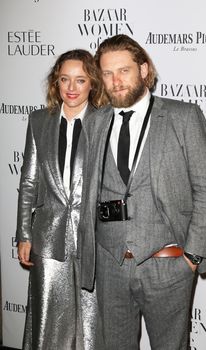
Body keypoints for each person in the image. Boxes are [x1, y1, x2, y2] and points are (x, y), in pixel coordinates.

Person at [79, 34, 206, 350]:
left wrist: (192, 257)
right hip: (110, 265)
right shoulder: (94, 123)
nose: (115, 81)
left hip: (168, 265)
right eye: (107, 73)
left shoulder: (183, 116)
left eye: (124, 70)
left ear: (143, 70)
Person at [16, 49, 103, 350]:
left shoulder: (105, 122)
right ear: (56, 82)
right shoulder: (39, 120)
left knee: (91, 325)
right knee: (46, 320)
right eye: (65, 79)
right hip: (48, 236)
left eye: (80, 80)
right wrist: (24, 234)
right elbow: (29, 181)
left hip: (94, 239)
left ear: (93, 83)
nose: (72, 87)